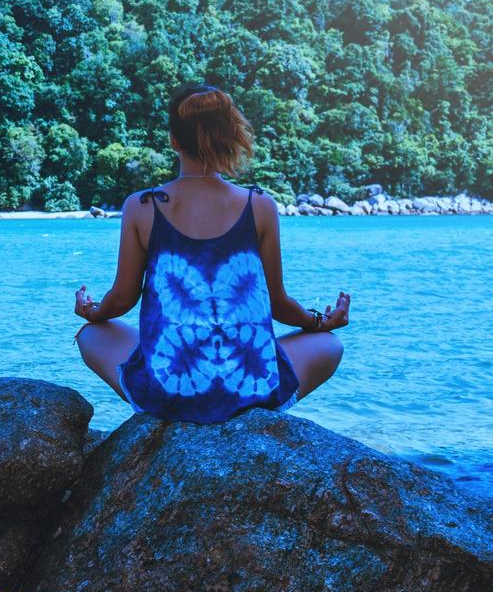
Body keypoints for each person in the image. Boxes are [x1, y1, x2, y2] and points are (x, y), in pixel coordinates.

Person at [74, 83, 349, 422]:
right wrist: (320, 321)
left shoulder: (143, 207)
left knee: (92, 336)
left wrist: (92, 312)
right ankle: (242, 409)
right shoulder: (259, 205)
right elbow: (279, 304)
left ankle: (170, 403)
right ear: (228, 136)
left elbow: (122, 299)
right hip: (250, 389)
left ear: (174, 141)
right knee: (330, 345)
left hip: (168, 391)